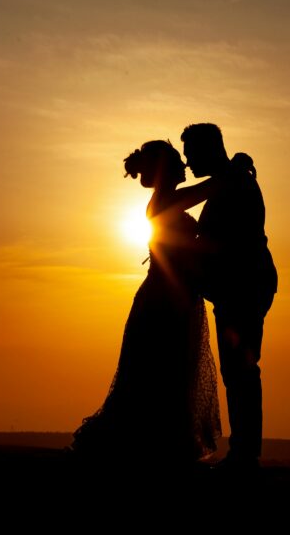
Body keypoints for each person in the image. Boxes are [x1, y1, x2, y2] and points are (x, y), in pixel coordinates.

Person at [70, 140, 221, 465]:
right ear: (167, 170)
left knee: (171, 371)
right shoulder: (164, 201)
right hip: (163, 299)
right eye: (178, 162)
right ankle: (149, 446)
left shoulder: (166, 200)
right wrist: (231, 169)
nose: (184, 166)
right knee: (159, 371)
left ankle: (161, 444)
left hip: (175, 296)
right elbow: (206, 189)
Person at [181, 123, 278, 473]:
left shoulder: (236, 182)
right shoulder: (231, 179)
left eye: (192, 154)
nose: (188, 162)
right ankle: (243, 451)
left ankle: (245, 454)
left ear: (208, 149)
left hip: (244, 287)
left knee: (241, 370)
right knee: (238, 370)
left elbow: (231, 243)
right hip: (239, 288)